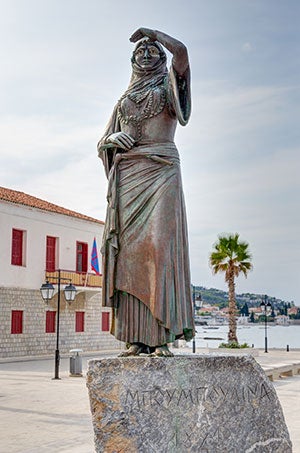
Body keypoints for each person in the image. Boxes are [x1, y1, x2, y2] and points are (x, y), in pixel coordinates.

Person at [97, 27, 195, 357]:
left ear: (160, 57)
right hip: (129, 176)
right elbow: (103, 141)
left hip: (163, 169)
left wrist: (154, 33)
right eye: (140, 51)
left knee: (160, 248)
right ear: (132, 60)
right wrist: (111, 141)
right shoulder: (123, 100)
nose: (145, 54)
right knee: (130, 254)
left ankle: (163, 337)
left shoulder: (168, 86)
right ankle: (135, 338)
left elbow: (181, 53)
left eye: (152, 50)